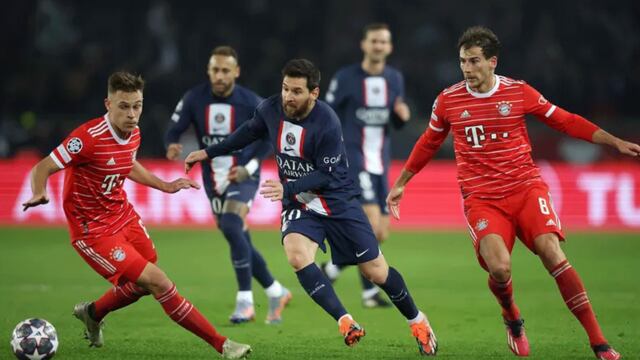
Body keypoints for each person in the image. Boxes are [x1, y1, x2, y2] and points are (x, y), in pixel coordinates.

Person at [387, 26, 637, 360]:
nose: (467, 68)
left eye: (474, 61)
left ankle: (599, 342)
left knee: (552, 253)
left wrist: (615, 141)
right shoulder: (448, 100)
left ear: (492, 62)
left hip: (525, 188)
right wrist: (402, 182)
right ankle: (512, 317)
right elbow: (428, 142)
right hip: (482, 198)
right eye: (462, 61)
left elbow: (566, 121)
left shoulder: (518, 92)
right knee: (500, 269)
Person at [184, 58, 437, 356]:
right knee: (296, 255)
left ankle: (417, 320)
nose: (288, 97)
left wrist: (286, 187)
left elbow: (325, 174)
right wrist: (208, 152)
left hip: (337, 201)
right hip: (300, 204)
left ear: (314, 93)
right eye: (285, 89)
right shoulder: (271, 108)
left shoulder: (327, 122)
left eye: (296, 91)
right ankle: (345, 321)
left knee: (376, 272)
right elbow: (247, 133)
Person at [22, 71, 251, 359]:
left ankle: (92, 313)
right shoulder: (86, 138)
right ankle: (222, 345)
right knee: (159, 282)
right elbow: (42, 166)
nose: (132, 114)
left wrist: (165, 186)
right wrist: (39, 190)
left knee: (142, 283)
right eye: (124, 106)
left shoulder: (134, 132)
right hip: (93, 230)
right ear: (108, 104)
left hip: (123, 216)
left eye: (137, 106)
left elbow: (127, 164)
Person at [165, 45, 291, 324]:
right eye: (215, 70)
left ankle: (245, 302)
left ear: (236, 71)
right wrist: (171, 143)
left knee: (233, 226)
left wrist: (250, 167)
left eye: (225, 70)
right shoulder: (194, 99)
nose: (219, 76)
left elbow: (271, 137)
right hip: (213, 179)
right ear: (208, 71)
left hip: (243, 174)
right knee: (238, 237)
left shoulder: (251, 102)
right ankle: (275, 290)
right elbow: (173, 128)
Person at [322, 23, 410, 308]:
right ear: (364, 44)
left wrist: (402, 117)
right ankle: (370, 293)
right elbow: (326, 113)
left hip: (380, 162)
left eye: (383, 42)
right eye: (374, 41)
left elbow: (394, 119)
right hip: (352, 159)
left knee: (381, 232)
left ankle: (332, 269)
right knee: (370, 223)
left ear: (390, 47)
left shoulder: (394, 79)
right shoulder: (346, 78)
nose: (378, 46)